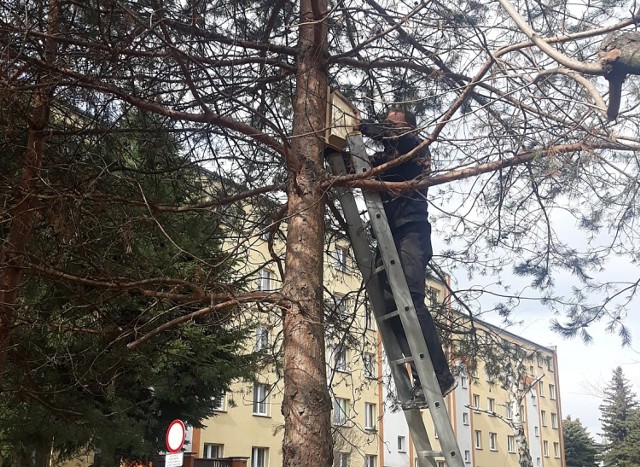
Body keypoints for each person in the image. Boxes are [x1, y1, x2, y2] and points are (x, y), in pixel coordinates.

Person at [354, 108, 456, 409]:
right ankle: (420, 377)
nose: (388, 124)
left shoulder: (415, 148)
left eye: (393, 121)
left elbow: (399, 138)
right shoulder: (385, 160)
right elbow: (354, 167)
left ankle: (440, 375)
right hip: (389, 238)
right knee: (389, 307)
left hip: (411, 234)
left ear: (408, 127)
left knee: (411, 300)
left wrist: (364, 126)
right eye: (386, 120)